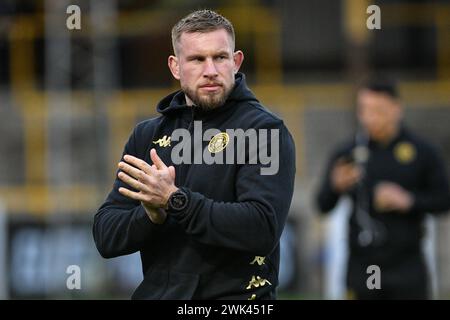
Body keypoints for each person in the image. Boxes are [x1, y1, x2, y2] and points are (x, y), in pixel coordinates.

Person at [93, 9, 296, 300]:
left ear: (236, 62)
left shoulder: (265, 131)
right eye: (197, 59)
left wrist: (176, 201)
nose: (210, 70)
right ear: (175, 67)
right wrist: (151, 216)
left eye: (220, 57)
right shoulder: (147, 136)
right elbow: (105, 235)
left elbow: (261, 228)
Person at [316, 78, 450, 299]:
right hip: (366, 266)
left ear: (397, 109)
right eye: (364, 110)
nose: (370, 118)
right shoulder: (348, 153)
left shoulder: (422, 151)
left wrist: (409, 201)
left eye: (379, 110)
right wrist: (335, 186)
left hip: (407, 265)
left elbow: (444, 199)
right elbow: (322, 204)